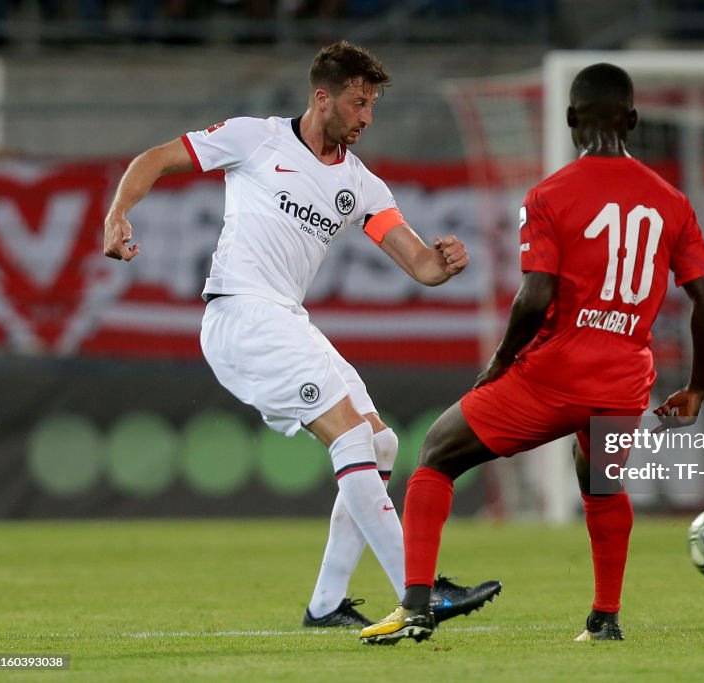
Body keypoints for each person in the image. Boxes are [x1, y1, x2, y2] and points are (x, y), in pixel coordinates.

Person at [103, 41, 501, 629]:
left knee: (380, 443)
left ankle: (325, 604)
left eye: (372, 106)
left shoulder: (361, 185)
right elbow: (157, 158)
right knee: (347, 434)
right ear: (323, 97)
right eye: (358, 103)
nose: (367, 117)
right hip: (240, 313)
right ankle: (421, 592)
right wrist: (118, 214)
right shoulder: (253, 137)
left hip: (286, 319)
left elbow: (419, 264)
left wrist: (444, 261)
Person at [361, 62, 704, 644]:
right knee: (600, 483)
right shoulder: (672, 202)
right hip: (625, 382)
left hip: (554, 376)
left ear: (571, 118)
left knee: (436, 453)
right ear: (632, 119)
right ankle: (605, 619)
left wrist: (502, 361)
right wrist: (698, 386)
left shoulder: (549, 195)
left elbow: (536, 295)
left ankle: (417, 605)